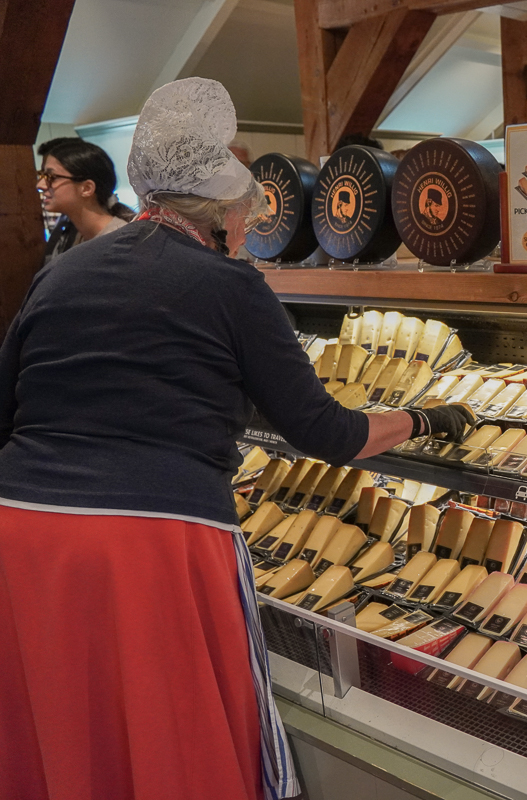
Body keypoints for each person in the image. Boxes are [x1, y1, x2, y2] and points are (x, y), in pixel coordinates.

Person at [0, 78, 472, 800]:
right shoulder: (231, 285)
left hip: (24, 528)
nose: (250, 225)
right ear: (219, 210)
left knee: (67, 719)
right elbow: (326, 432)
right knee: (167, 726)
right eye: (247, 211)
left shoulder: (62, 272)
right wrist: (424, 420)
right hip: (154, 539)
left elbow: (8, 404)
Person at [37, 137, 136, 263]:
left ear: (87, 188)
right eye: (42, 175)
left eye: (51, 177)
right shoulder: (82, 235)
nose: (40, 185)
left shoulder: (120, 242)